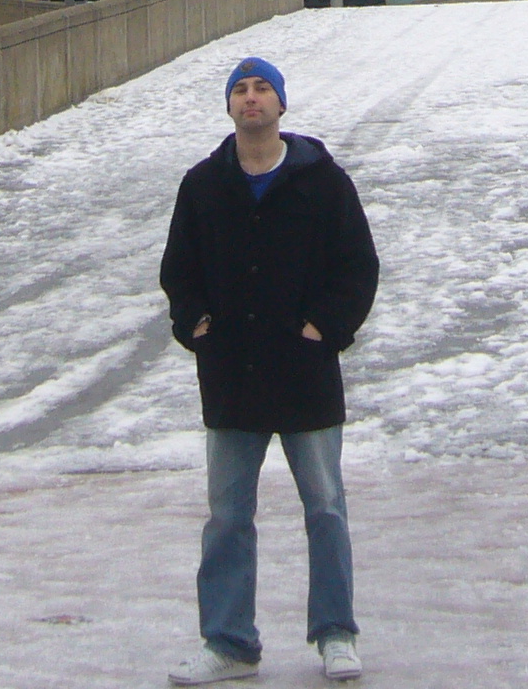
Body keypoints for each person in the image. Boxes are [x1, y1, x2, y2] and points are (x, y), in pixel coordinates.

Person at [159, 55, 378, 685]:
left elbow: (357, 266)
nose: (250, 98)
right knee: (227, 516)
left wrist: (325, 328)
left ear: (281, 103)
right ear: (229, 105)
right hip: (232, 375)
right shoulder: (203, 185)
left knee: (326, 507)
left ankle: (336, 633)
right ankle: (230, 642)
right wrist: (195, 324)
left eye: (262, 89)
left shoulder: (324, 182)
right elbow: (179, 271)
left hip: (305, 373)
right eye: (240, 90)